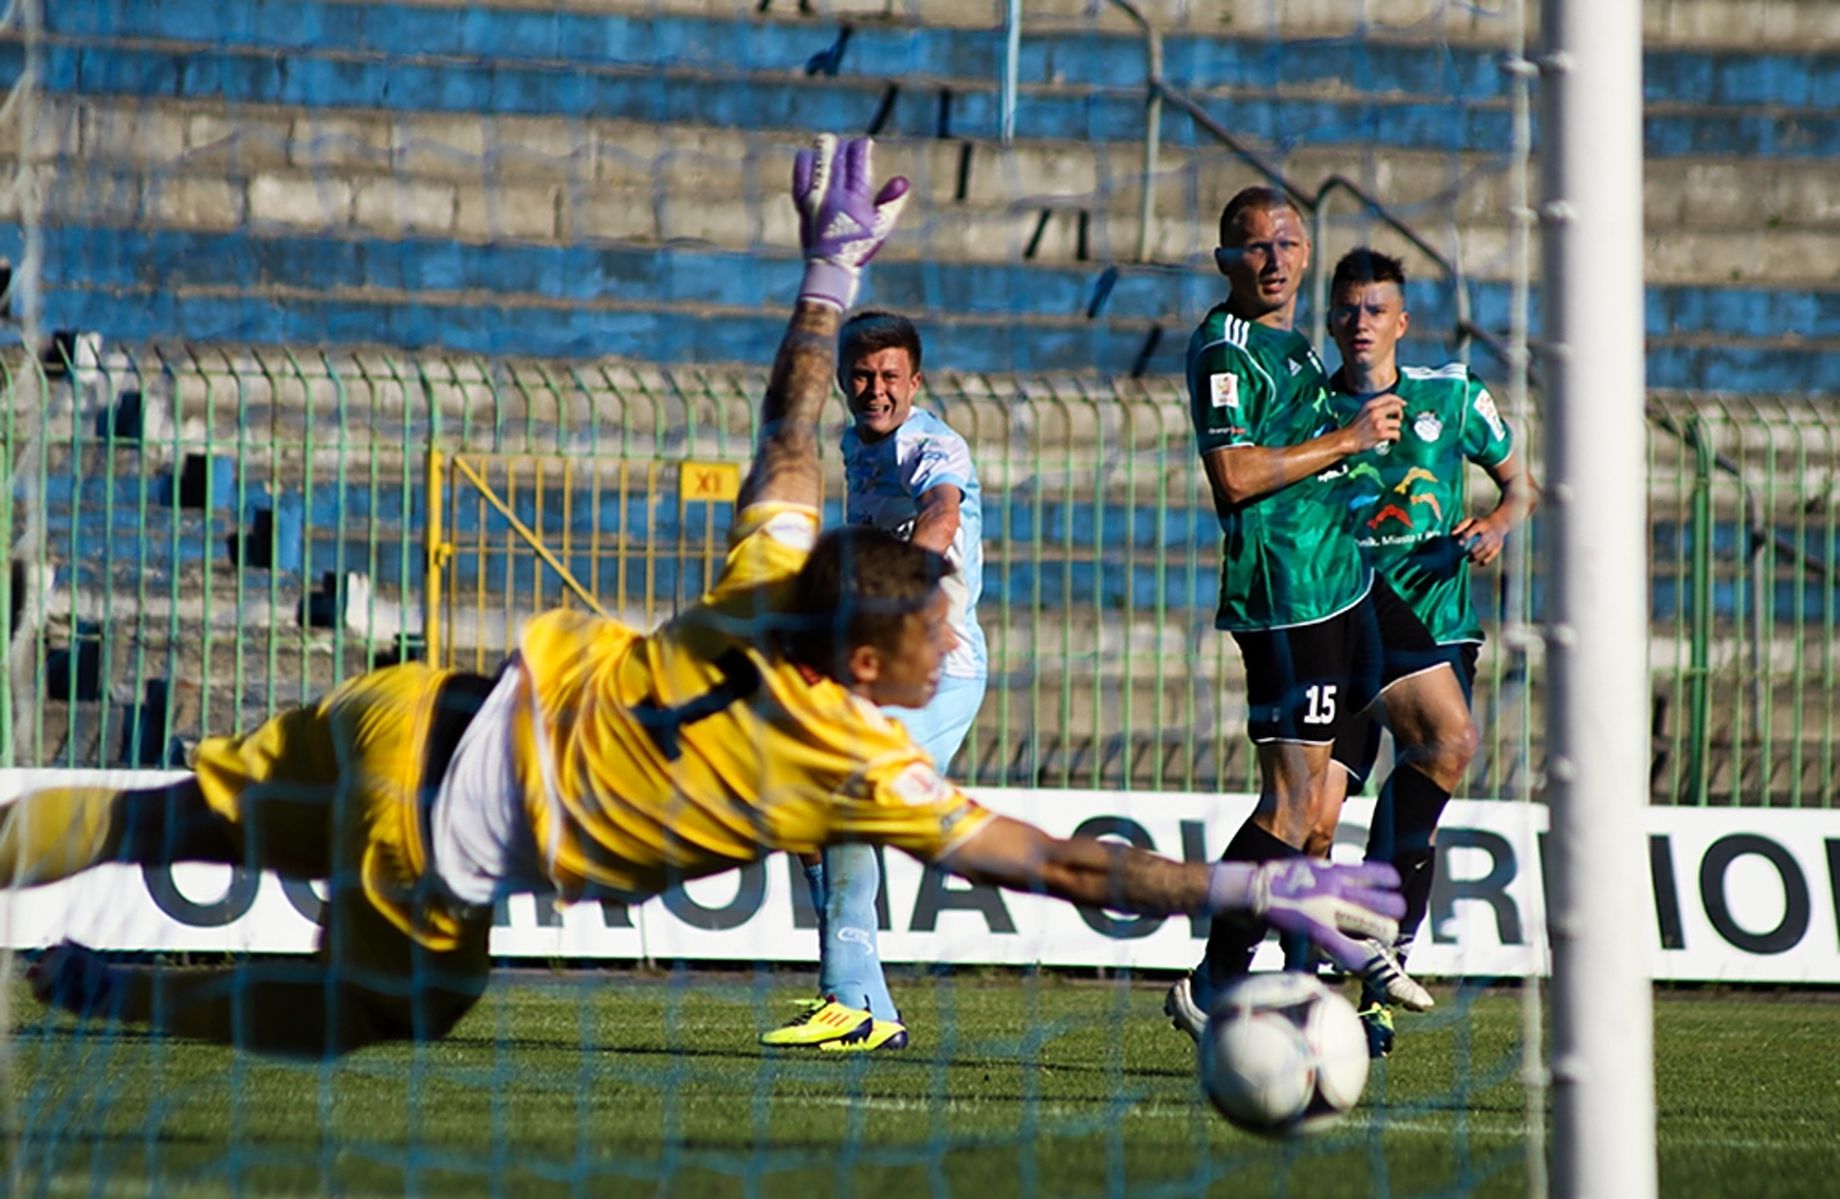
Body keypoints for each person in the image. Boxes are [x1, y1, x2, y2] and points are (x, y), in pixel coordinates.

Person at [6, 135, 1404, 1059]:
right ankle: (112, 992)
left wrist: (826, 271)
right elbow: (1072, 866)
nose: (942, 650)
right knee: (405, 1000)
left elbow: (787, 436)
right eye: (925, 638)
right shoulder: (856, 760)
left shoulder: (758, 588)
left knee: (163, 812)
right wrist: (1251, 881)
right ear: (865, 662)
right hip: (437, 835)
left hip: (413, 705)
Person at [1165, 187, 1446, 1042]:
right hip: (1289, 597)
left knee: (1445, 731)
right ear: (1226, 261)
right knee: (1292, 812)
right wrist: (1347, 440)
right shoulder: (1227, 346)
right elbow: (1237, 477)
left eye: (1290, 243)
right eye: (1257, 247)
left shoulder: (1294, 347)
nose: (1277, 259)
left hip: (1346, 582)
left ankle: (1366, 926)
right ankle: (1220, 975)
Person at [1320, 247, 1539, 1057]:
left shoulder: (1451, 395)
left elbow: (1521, 484)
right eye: (1347, 309)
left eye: (1376, 309)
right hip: (1341, 626)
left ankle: (1383, 971)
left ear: (1401, 323)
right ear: (1332, 321)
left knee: (1421, 795)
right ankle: (1297, 974)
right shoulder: (1313, 407)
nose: (1361, 322)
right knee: (1317, 804)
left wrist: (1493, 526)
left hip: (1438, 626)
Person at [760, 311, 988, 1053]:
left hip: (937, 668)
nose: (875, 389)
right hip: (884, 668)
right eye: (862, 375)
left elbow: (943, 512)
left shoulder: (933, 445)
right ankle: (865, 1003)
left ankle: (845, 995)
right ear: (842, 381)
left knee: (847, 802)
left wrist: (897, 594)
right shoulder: (854, 443)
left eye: (891, 376)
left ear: (915, 382)